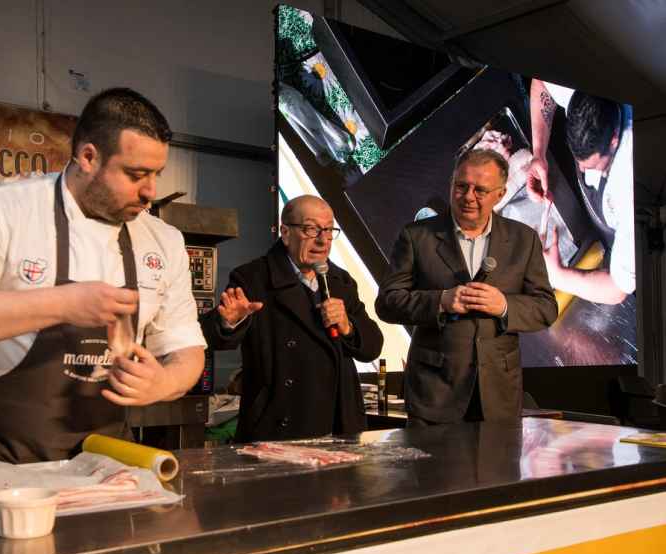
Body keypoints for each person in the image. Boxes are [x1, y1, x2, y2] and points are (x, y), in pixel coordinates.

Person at [0, 88, 205, 467]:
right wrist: (62, 304)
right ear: (88, 157)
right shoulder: (4, 208)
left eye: (156, 174)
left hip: (105, 465)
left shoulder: (163, 240)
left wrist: (166, 381)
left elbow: (186, 349)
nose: (150, 192)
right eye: (135, 175)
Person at [375, 149, 557, 426]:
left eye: (480, 190)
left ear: (500, 194)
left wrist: (504, 306)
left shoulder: (524, 239)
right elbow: (388, 302)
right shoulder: (417, 236)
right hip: (434, 395)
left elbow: (546, 308)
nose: (468, 197)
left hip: (498, 397)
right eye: (461, 186)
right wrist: (441, 301)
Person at [200, 195, 383, 442]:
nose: (322, 240)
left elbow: (372, 347)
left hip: (337, 424)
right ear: (285, 233)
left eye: (329, 230)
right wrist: (229, 321)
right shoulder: (253, 278)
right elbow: (211, 338)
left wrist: (347, 326)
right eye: (311, 229)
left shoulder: (340, 281)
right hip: (279, 426)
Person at [526, 78, 634, 305]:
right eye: (579, 162)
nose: (583, 170)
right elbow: (541, 83)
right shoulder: (583, 83)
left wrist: (557, 276)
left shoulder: (631, 189)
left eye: (593, 165)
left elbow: (617, 289)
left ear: (614, 140)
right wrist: (539, 153)